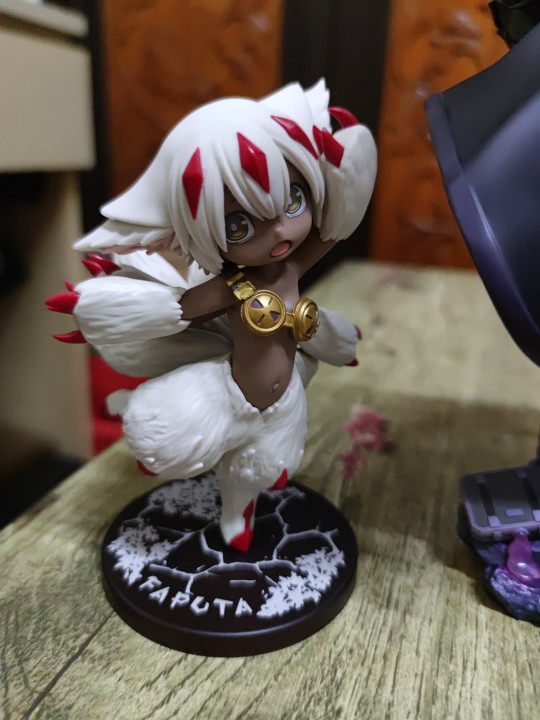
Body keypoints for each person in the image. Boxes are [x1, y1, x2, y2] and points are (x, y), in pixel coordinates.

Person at [47, 79, 376, 551]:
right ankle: (134, 410)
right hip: (230, 396)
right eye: (240, 224)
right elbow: (179, 309)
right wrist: (111, 310)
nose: (278, 232)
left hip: (285, 402)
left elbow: (335, 230)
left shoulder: (291, 267)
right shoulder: (232, 286)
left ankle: (235, 518)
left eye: (293, 201)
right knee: (170, 437)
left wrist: (350, 172)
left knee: (262, 471)